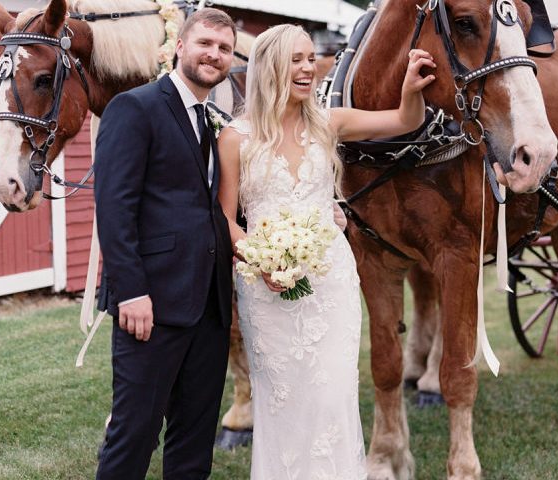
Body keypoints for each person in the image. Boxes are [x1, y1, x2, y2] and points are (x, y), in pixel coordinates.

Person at [218, 24, 436, 478]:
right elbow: (223, 219)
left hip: (330, 284)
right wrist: (261, 261)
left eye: (309, 57)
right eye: (295, 59)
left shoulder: (329, 122)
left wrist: (412, 87)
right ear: (270, 66)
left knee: (331, 396)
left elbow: (404, 120)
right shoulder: (235, 138)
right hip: (265, 291)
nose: (307, 68)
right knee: (282, 399)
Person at [93, 8, 236, 480]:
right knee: (134, 434)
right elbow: (114, 207)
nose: (214, 54)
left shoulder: (214, 118)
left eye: (224, 48)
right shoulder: (135, 107)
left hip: (209, 307)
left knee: (194, 442)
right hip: (150, 304)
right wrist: (131, 290)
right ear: (180, 47)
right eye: (205, 44)